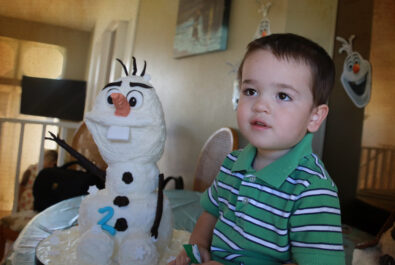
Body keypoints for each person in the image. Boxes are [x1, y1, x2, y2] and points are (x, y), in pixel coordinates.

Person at [170, 33, 345, 265]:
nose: (261, 105)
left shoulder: (312, 190)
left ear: (315, 117)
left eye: (283, 96)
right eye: (250, 91)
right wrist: (198, 246)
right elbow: (211, 212)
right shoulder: (232, 163)